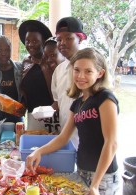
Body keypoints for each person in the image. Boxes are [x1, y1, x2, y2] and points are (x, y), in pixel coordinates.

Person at [26, 48, 119, 195]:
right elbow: (63, 137)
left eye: (88, 71)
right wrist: (39, 152)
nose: (81, 76)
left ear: (100, 73)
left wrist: (95, 185)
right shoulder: (77, 103)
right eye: (77, 70)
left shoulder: (105, 98)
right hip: (82, 171)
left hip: (103, 177)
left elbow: (112, 143)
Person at [51, 16, 87, 149]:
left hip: (87, 141)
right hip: (65, 140)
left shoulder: (91, 70)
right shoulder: (59, 71)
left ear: (80, 38)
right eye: (59, 39)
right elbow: (58, 102)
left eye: (68, 38)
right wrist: (45, 112)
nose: (62, 43)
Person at [19, 20, 54, 131]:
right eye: (27, 41)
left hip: (52, 115)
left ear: (43, 41)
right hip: (32, 116)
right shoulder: (26, 62)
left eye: (35, 41)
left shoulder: (51, 61)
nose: (30, 44)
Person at [0, 35, 23, 127]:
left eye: (7, 50)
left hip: (15, 117)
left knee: (16, 140)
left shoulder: (20, 68)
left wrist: (23, 104)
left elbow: (26, 90)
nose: (3, 53)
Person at [40, 37, 65, 132]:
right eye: (46, 57)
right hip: (63, 127)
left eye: (53, 55)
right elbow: (58, 102)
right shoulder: (56, 74)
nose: (49, 60)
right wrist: (43, 113)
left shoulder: (74, 72)